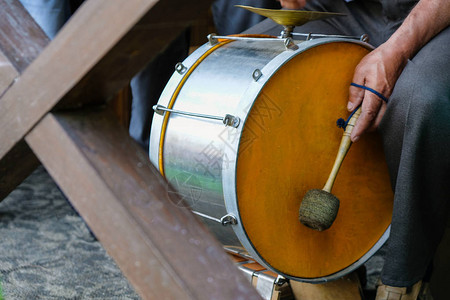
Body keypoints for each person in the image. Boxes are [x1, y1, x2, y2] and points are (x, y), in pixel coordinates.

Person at [247, 0, 450, 299]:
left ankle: (406, 280)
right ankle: (311, 264)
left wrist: (395, 52)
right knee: (249, 58)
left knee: (420, 100)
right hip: (347, 9)